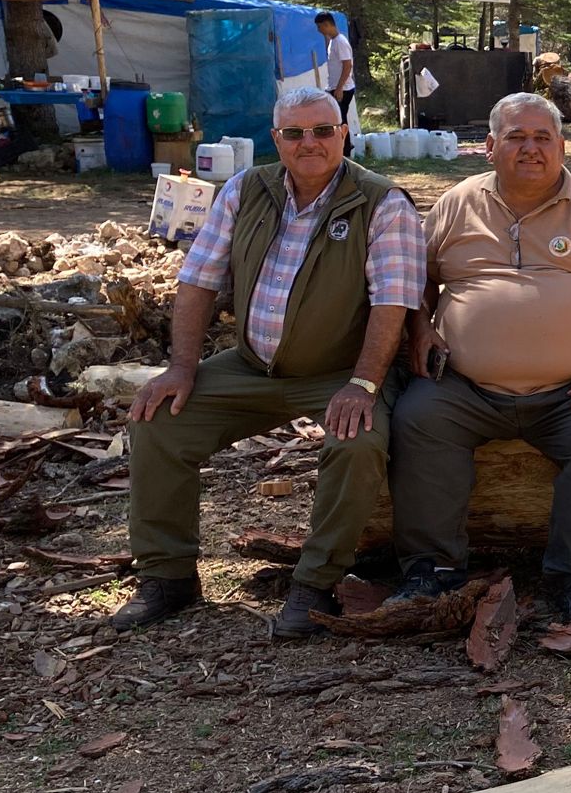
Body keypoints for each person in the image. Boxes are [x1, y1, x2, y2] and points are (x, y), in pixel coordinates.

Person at [114, 86, 423, 638]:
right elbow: (197, 284)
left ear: (344, 134)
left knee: (358, 443)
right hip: (252, 365)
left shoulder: (381, 202)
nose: (310, 143)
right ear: (275, 138)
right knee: (159, 421)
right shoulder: (244, 189)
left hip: (340, 371)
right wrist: (182, 367)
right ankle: (168, 576)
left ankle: (315, 584)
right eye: (295, 133)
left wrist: (364, 383)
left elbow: (392, 303)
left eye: (323, 130)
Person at [390, 92, 571, 622]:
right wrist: (420, 328)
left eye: (542, 137)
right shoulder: (457, 202)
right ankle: (430, 571)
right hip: (463, 387)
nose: (530, 148)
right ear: (489, 146)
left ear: (562, 146)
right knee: (418, 420)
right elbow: (417, 279)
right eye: (516, 136)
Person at [316, 11, 359, 140]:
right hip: (334, 87)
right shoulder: (333, 41)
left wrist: (339, 88)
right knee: (334, 120)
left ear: (327, 24)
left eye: (320, 27)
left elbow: (347, 66)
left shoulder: (340, 42)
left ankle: (345, 152)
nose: (319, 30)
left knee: (340, 122)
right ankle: (339, 149)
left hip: (343, 89)